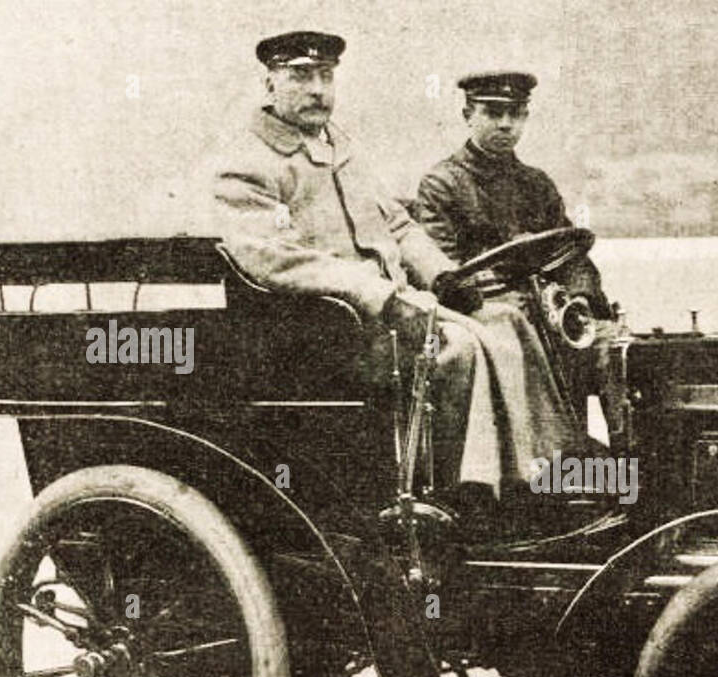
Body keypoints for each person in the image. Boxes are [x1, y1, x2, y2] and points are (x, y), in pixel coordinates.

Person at [212, 33, 584, 504]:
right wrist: (378, 292)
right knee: (458, 347)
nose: (317, 90)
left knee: (508, 319)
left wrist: (443, 277)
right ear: (270, 85)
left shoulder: (341, 148)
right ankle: (461, 495)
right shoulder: (245, 163)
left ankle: (544, 473)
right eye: (300, 77)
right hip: (322, 331)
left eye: (325, 76)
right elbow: (273, 258)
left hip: (389, 311)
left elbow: (398, 223)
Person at [415, 72, 624, 437]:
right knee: (523, 337)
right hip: (488, 315)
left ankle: (624, 464)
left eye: (516, 113)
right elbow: (444, 273)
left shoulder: (536, 184)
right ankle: (536, 468)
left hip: (548, 314)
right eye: (493, 113)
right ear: (468, 115)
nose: (506, 124)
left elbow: (572, 259)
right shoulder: (441, 184)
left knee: (616, 349)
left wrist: (581, 303)